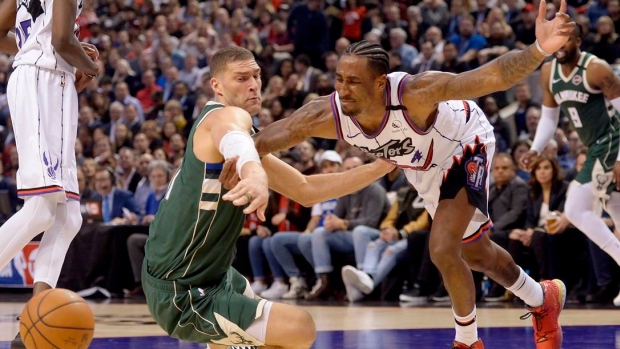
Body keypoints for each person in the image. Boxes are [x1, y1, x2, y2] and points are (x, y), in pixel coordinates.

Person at [239, 2, 575, 347]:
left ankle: (467, 341)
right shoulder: (328, 114)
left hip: (464, 142)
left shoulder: (415, 92)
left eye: (354, 82)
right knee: (476, 253)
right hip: (423, 167)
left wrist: (539, 50)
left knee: (443, 249)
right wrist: (232, 151)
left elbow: (488, 77)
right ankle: (541, 298)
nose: (343, 89)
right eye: (339, 79)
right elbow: (271, 137)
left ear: (381, 83)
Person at [142, 46, 394, 349]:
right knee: (298, 328)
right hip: (182, 287)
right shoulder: (221, 118)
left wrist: (380, 167)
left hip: (212, 274)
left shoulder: (242, 134)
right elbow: (234, 137)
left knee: (268, 334)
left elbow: (305, 190)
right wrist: (255, 174)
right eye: (241, 78)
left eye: (256, 75)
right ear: (217, 85)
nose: (253, 84)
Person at [0, 0, 99, 347]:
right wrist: (90, 66)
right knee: (41, 208)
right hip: (43, 81)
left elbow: (2, 33)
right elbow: (60, 40)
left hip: (48, 81)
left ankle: (32, 325)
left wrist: (37, 46)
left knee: (68, 216)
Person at [520, 24, 620, 307]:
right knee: (616, 211)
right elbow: (550, 119)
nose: (560, 46)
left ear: (579, 40)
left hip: (612, 142)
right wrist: (535, 148)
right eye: (556, 41)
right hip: (594, 148)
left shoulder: (597, 69)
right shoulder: (549, 72)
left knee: (575, 208)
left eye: (566, 40)